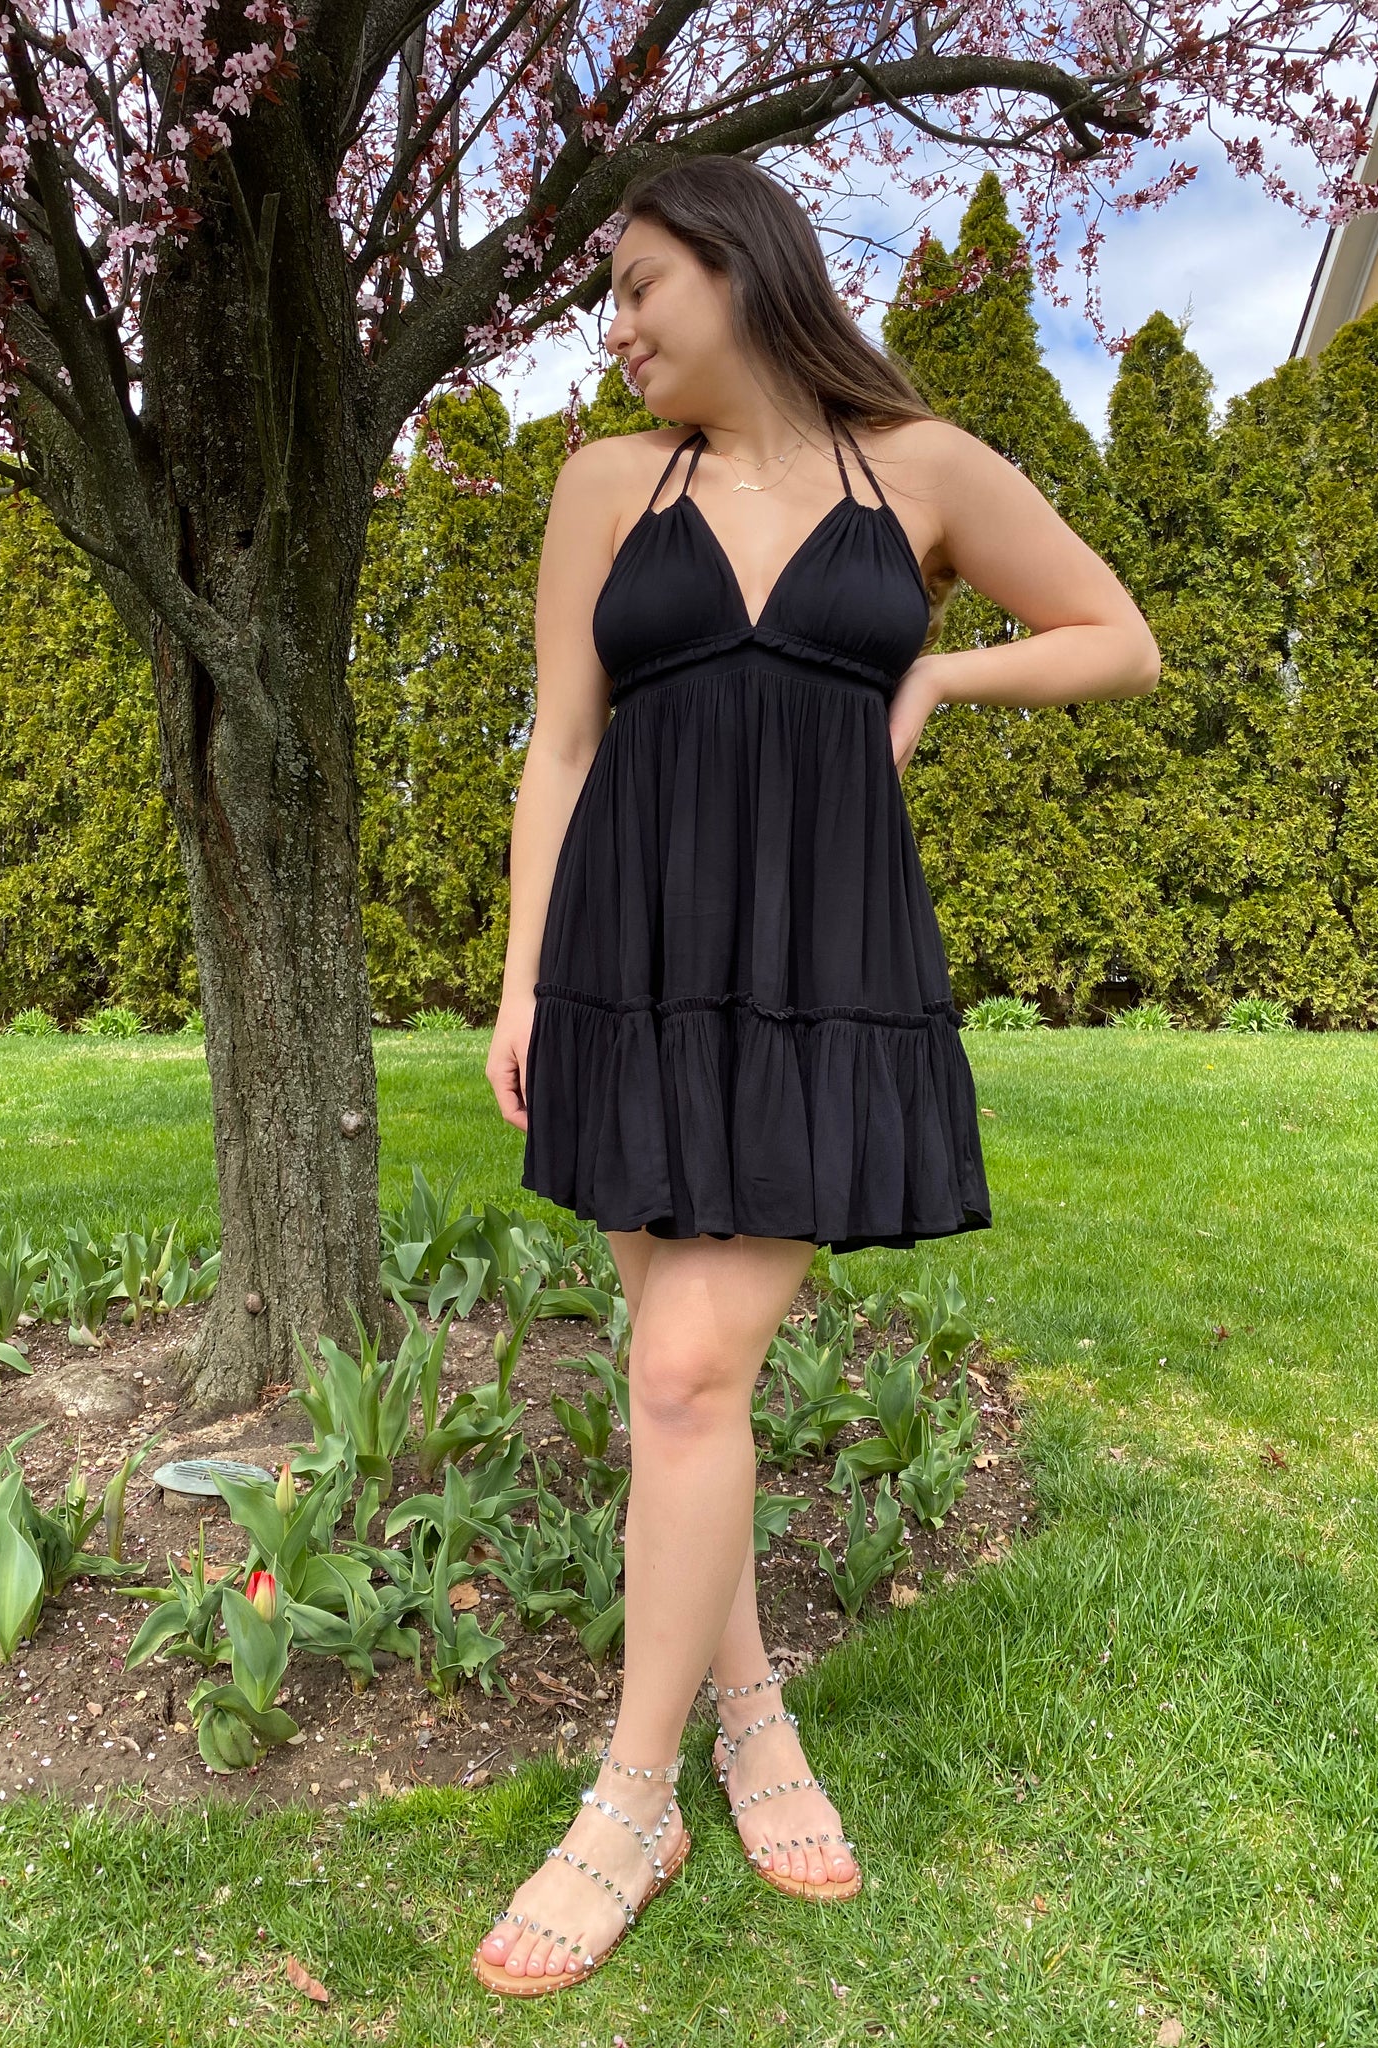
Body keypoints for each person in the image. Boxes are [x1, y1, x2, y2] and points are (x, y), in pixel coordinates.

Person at [475, 157, 1160, 1996]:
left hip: (821, 968)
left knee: (690, 1372)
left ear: (737, 262)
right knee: (680, 1384)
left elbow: (1119, 638)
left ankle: (629, 1805)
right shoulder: (606, 487)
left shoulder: (919, 470)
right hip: (629, 963)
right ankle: (751, 1711)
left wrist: (940, 685)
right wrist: (524, 982)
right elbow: (561, 747)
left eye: (638, 283)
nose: (615, 327)